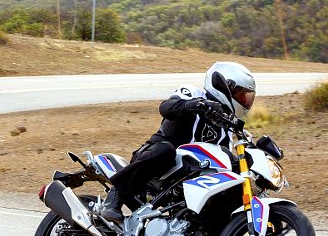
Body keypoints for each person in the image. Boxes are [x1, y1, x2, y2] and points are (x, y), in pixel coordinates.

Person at [99, 61, 257, 224]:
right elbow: (166, 107)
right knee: (166, 151)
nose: (245, 100)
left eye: (247, 96)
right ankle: (114, 198)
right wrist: (198, 105)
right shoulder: (194, 93)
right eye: (241, 95)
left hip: (186, 176)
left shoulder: (226, 126)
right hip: (157, 158)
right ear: (224, 86)